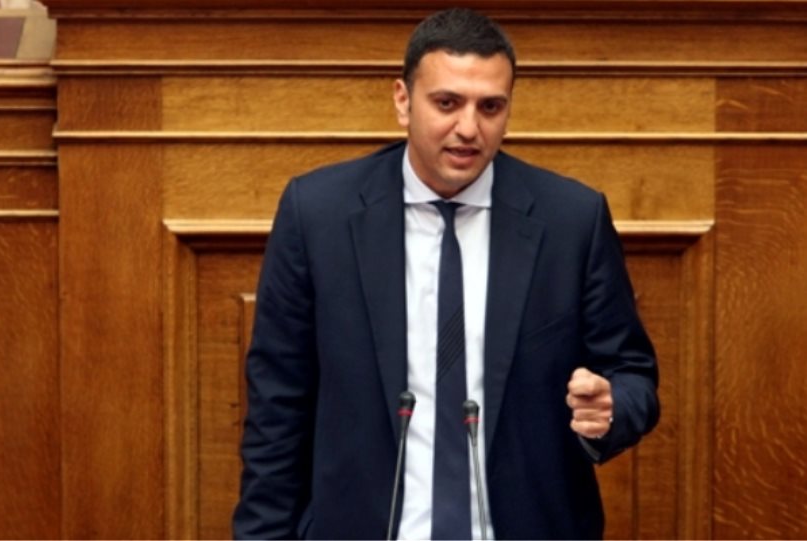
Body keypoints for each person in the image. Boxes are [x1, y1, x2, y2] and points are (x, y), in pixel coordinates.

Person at [233, 8, 658, 540]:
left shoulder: (571, 220)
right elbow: (276, 407)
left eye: (490, 107)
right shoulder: (318, 214)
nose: (469, 128)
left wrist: (611, 408)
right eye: (447, 103)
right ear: (403, 101)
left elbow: (632, 373)